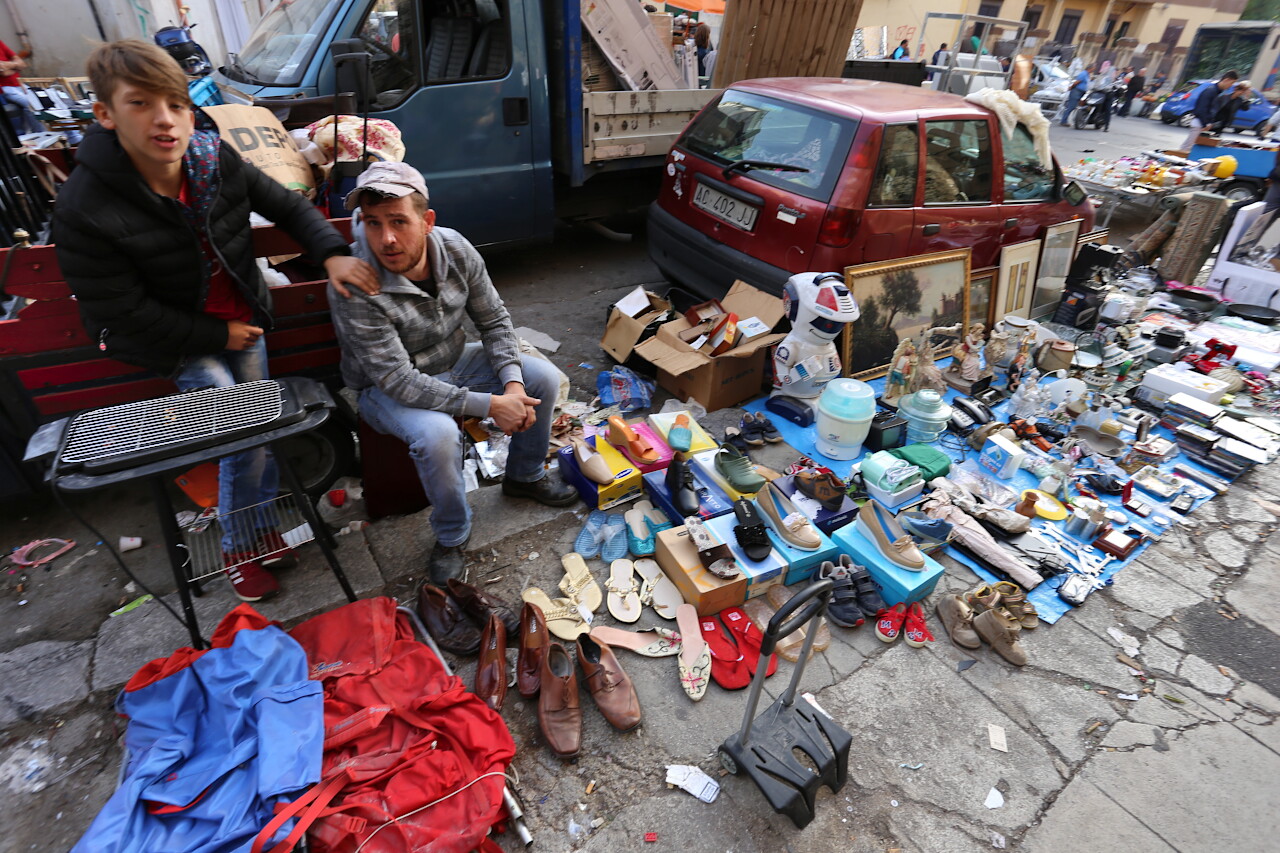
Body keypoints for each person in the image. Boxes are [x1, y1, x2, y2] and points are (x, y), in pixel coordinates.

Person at [52, 40, 379, 602]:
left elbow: (288, 204)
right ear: (105, 114)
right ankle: (238, 548)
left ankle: (262, 530)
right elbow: (120, 309)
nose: (165, 120)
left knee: (262, 428)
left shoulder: (211, 158)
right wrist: (216, 334)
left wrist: (330, 252)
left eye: (176, 104)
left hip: (242, 319)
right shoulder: (84, 205)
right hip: (171, 337)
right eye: (141, 104)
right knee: (240, 432)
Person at [330, 162, 578, 583]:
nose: (386, 238)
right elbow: (398, 380)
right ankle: (452, 534)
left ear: (426, 222)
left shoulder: (456, 250)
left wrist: (513, 388)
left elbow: (495, 322)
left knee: (543, 378)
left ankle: (524, 476)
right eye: (373, 223)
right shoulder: (357, 280)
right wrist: (490, 405)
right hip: (384, 389)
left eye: (398, 221)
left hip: (456, 359)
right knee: (438, 435)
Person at [0, 38, 44, 136]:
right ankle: (42, 136)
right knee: (32, 105)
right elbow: (3, 71)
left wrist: (9, 66)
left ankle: (73, 137)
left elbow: (23, 65)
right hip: (5, 88)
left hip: (20, 85)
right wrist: (15, 66)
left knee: (47, 102)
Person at [1185, 70, 1239, 149]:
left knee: (1190, 147)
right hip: (1200, 123)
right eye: (1231, 83)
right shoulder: (1211, 91)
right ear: (1226, 80)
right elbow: (1202, 108)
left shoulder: (1216, 91)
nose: (1231, 86)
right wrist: (1206, 123)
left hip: (1201, 123)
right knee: (1188, 147)